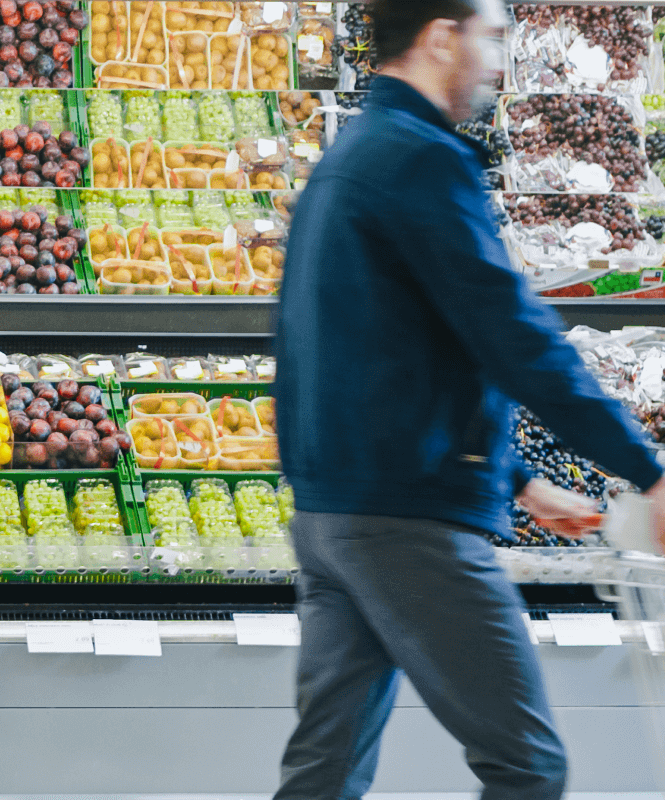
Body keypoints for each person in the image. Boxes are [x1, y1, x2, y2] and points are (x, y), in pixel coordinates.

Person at [274, 0, 665, 796]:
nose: (496, 67)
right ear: (441, 37)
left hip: (331, 518)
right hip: (409, 523)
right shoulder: (420, 159)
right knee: (526, 764)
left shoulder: (346, 161)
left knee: (324, 772)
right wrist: (645, 469)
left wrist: (517, 479)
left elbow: (380, 354)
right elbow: (514, 334)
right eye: (490, 41)